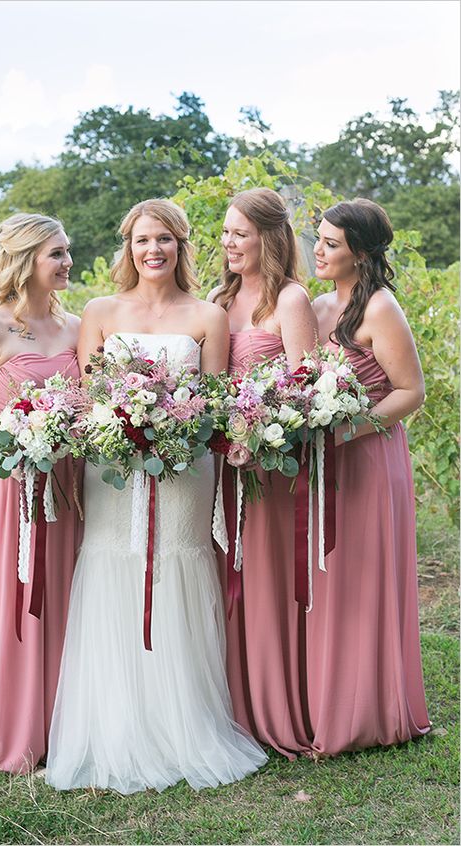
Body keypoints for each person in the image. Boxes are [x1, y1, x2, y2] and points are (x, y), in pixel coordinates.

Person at [46, 198, 267, 793]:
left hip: (184, 469)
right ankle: (115, 724)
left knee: (177, 568)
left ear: (181, 248)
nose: (153, 251)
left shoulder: (207, 317)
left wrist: (176, 431)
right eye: (143, 240)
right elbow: (92, 396)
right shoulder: (100, 310)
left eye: (165, 240)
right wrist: (122, 423)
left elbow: (216, 403)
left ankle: (182, 725)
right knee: (112, 566)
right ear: (128, 247)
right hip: (113, 467)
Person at [0, 212, 83, 773]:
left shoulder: (77, 327)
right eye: (57, 253)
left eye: (68, 250)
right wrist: (6, 453)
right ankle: (15, 727)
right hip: (15, 489)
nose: (68, 261)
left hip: (73, 485)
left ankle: (70, 721)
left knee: (74, 595)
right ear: (27, 259)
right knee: (19, 600)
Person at [307, 197, 430, 755]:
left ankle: (371, 708)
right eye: (319, 238)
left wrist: (348, 430)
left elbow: (411, 391)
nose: (318, 249)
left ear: (360, 253)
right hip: (323, 460)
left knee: (363, 578)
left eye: (331, 244)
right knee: (328, 579)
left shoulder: (378, 307)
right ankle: (325, 699)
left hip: (370, 457)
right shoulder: (315, 306)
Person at [208, 187, 318, 760]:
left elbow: (305, 386)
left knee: (266, 582)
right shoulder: (218, 296)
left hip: (268, 470)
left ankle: (272, 707)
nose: (228, 243)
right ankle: (227, 704)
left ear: (269, 238)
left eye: (239, 233)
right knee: (225, 579)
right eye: (225, 232)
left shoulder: (292, 300)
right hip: (218, 468)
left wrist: (256, 434)